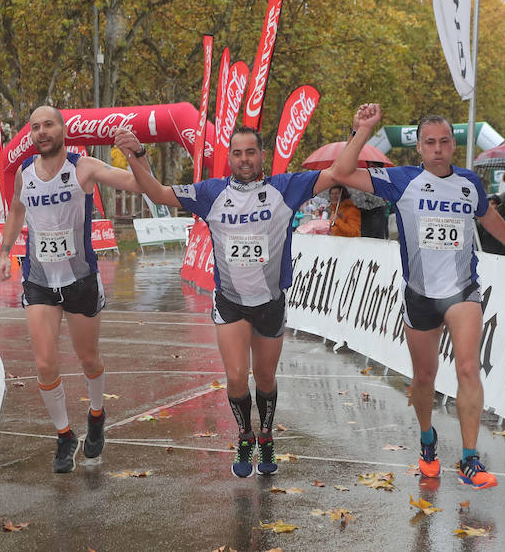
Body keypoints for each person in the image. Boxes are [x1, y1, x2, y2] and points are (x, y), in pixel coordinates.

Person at [335, 104, 505, 490]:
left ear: (452, 144)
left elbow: (487, 216)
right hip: (421, 294)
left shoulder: (468, 182)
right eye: (430, 143)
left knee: (467, 368)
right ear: (419, 148)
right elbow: (342, 172)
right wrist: (362, 130)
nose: (438, 149)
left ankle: (469, 459)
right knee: (424, 378)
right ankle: (428, 441)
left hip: (463, 291)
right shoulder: (402, 180)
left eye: (444, 141)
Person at [122, 125, 341, 478]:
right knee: (237, 378)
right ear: (230, 157)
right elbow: (160, 193)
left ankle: (266, 437)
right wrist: (137, 157)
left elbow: (335, 173)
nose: (244, 159)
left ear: (261, 155)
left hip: (270, 301)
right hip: (230, 303)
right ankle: (244, 436)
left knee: (265, 378)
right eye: (237, 153)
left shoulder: (284, 188)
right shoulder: (212, 193)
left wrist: (359, 133)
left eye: (250, 152)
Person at [0, 106, 144, 473]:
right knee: (44, 363)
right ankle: (64, 435)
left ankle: (96, 415)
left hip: (80, 280)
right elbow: (16, 211)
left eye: (48, 125)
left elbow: (138, 184)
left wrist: (138, 156)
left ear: (62, 129)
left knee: (88, 358)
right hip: (39, 280)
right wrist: (3, 252)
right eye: (34, 128)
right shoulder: (25, 174)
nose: (41, 132)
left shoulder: (84, 167)